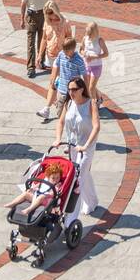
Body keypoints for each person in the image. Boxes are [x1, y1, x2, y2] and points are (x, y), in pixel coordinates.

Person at [53, 76, 100, 217]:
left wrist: (86, 145)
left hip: (87, 147)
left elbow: (96, 127)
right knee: (84, 174)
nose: (71, 92)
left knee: (77, 180)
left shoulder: (91, 104)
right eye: (69, 90)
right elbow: (60, 122)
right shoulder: (69, 104)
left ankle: (72, 214)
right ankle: (92, 201)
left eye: (74, 89)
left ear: (82, 89)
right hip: (72, 145)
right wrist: (57, 139)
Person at [37, 35, 87, 124]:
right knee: (60, 114)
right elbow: (56, 65)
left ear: (73, 49)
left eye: (67, 50)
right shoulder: (61, 54)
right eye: (64, 50)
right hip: (61, 89)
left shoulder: (79, 60)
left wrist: (87, 89)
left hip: (73, 91)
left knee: (71, 114)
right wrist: (53, 79)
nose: (65, 52)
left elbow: (85, 75)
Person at [20, 0, 54, 79]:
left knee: (42, 40)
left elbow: (52, 2)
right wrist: (22, 19)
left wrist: (52, 16)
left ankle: (41, 61)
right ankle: (31, 67)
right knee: (31, 42)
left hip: (43, 15)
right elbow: (23, 4)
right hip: (31, 16)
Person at [81, 21, 109, 104]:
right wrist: (85, 54)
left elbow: (106, 53)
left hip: (96, 66)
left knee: (91, 87)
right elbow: (81, 49)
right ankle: (99, 97)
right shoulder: (85, 38)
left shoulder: (99, 40)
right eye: (87, 33)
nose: (88, 36)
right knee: (89, 85)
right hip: (86, 65)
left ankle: (93, 105)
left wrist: (94, 57)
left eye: (90, 34)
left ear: (94, 32)